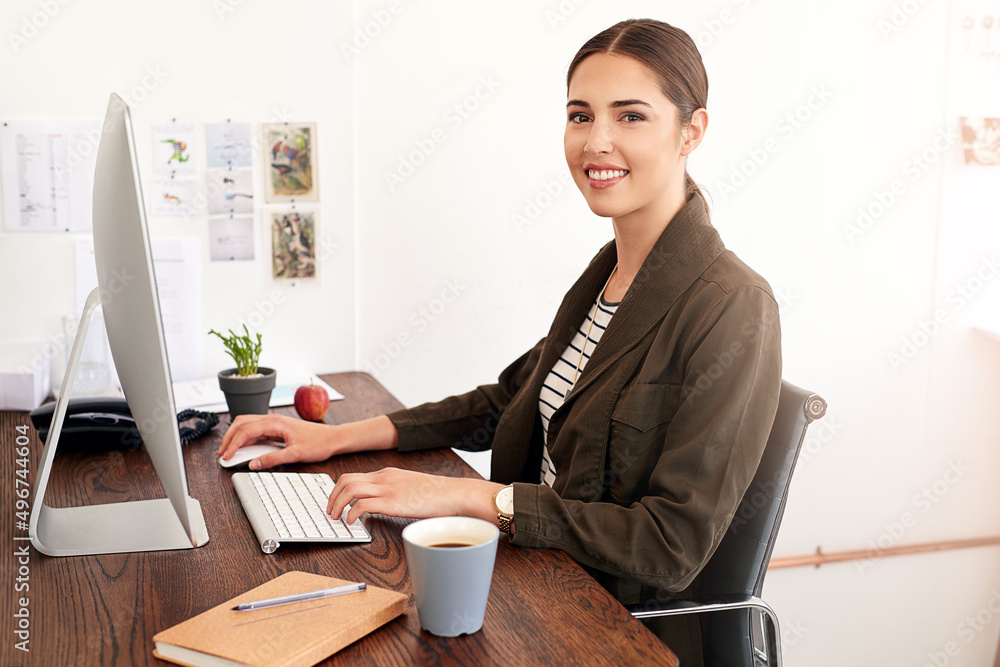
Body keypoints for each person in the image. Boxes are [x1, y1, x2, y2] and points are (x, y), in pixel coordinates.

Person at [219, 18, 781, 665]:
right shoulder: (607, 274)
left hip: (615, 624)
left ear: (692, 131)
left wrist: (472, 497)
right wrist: (335, 437)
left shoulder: (733, 306)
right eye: (580, 115)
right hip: (536, 581)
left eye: (630, 116)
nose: (596, 141)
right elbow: (503, 401)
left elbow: (669, 544)